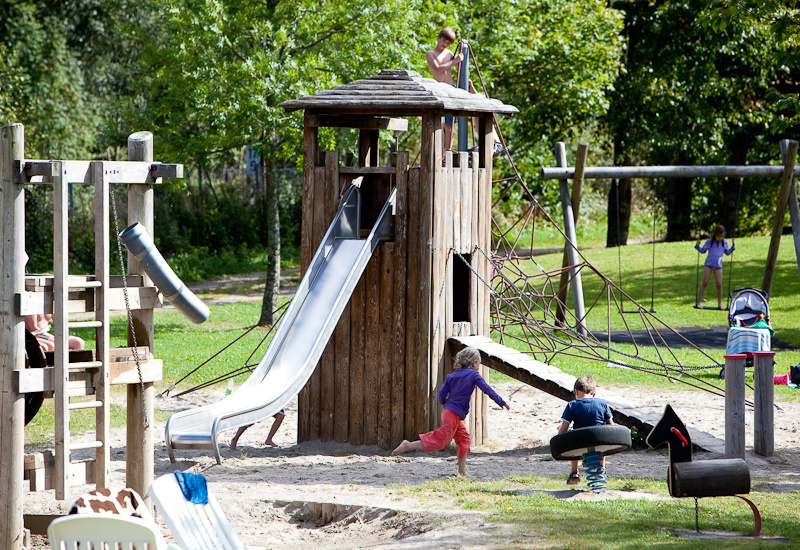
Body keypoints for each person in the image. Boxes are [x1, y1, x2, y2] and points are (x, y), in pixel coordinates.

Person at [392, 346, 510, 477]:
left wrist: (446, 403)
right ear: (474, 363)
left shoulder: (452, 376)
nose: (479, 366)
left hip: (448, 412)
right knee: (440, 441)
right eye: (479, 363)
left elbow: (441, 394)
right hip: (453, 414)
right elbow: (487, 389)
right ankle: (408, 445)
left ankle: (462, 472)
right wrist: (501, 401)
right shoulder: (474, 375)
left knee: (464, 439)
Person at [557, 375, 614, 485]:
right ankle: (601, 470)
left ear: (576, 391)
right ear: (594, 394)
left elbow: (563, 430)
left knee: (571, 436)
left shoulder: (572, 405)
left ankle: (574, 473)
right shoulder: (602, 403)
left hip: (579, 443)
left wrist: (559, 438)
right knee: (603, 434)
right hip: (599, 441)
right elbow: (611, 426)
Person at [426, 27, 464, 151]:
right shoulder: (430, 54)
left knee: (450, 125)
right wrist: (454, 61)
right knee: (440, 122)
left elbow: (459, 67)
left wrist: (460, 58)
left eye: (448, 43)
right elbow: (437, 69)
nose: (445, 44)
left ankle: (447, 151)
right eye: (443, 40)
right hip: (439, 89)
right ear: (438, 38)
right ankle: (440, 151)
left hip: (450, 88)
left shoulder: (449, 53)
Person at [695, 224, 735, 310]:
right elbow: (703, 250)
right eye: (719, 236)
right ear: (715, 234)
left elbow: (727, 252)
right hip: (708, 265)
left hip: (718, 266)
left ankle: (720, 304)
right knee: (705, 282)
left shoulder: (724, 242)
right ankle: (699, 302)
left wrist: (733, 246)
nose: (720, 238)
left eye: (722, 236)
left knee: (719, 284)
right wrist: (698, 246)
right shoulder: (710, 241)